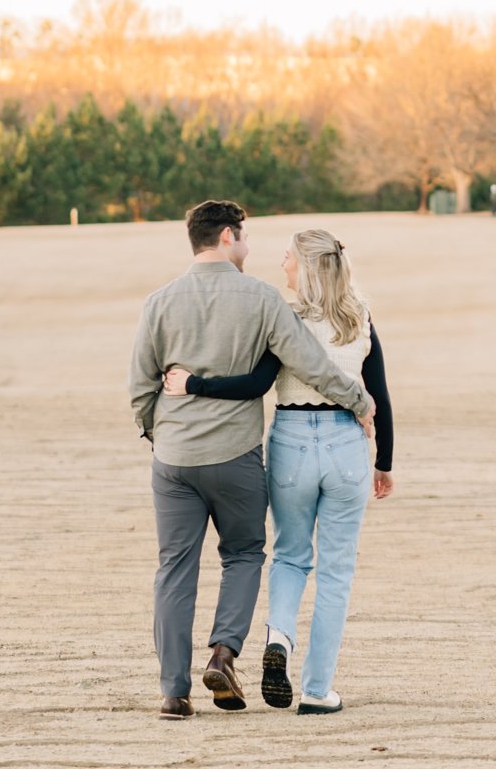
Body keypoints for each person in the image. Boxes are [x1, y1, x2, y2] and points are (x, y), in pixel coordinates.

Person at [128, 199, 375, 721]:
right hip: (237, 458)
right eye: (244, 237)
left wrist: (162, 435)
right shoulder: (262, 299)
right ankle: (223, 653)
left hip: (173, 461)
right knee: (242, 555)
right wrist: (358, 401)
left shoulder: (158, 302)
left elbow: (139, 390)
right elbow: (311, 362)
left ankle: (174, 693)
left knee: (174, 569)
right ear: (225, 237)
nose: (249, 246)